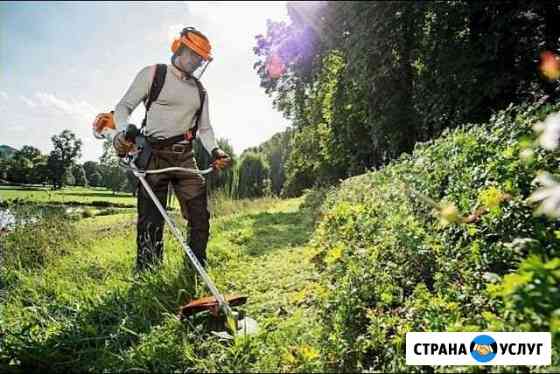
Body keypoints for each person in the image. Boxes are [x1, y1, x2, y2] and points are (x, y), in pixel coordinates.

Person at [112, 26, 231, 272]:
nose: (197, 61)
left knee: (200, 216)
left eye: (201, 58)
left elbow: (205, 130)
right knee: (151, 221)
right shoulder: (154, 74)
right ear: (179, 48)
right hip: (153, 155)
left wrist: (216, 151)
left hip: (185, 157)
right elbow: (123, 107)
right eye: (193, 55)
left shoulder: (200, 91)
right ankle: (148, 274)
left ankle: (195, 270)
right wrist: (124, 131)